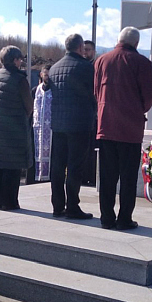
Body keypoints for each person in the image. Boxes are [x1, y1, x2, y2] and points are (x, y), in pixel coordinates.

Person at [94, 27, 152, 230]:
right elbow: (151, 92)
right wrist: (139, 108)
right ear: (136, 44)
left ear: (118, 39)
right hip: (130, 129)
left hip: (106, 126)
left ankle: (106, 218)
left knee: (107, 176)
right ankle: (124, 219)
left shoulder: (102, 60)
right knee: (128, 177)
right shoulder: (141, 63)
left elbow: (96, 90)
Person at [48, 34, 96, 219]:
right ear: (80, 47)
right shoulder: (86, 67)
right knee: (75, 167)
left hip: (58, 123)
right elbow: (93, 93)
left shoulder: (54, 68)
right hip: (79, 123)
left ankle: (57, 206)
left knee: (58, 166)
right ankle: (73, 206)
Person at [0, 46, 33, 211]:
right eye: (20, 59)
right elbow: (29, 106)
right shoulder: (20, 80)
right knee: (12, 166)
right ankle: (9, 202)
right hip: (14, 128)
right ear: (15, 60)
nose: (21, 62)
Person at [81, 39, 98, 186]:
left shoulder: (96, 67)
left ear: (94, 52)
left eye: (88, 50)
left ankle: (91, 176)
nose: (85, 52)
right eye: (84, 49)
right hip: (80, 114)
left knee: (92, 148)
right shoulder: (78, 66)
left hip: (93, 113)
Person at [32, 66, 52, 183]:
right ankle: (38, 175)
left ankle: (48, 176)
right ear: (41, 74)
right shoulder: (37, 89)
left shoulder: (54, 89)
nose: (47, 76)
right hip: (39, 127)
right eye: (45, 74)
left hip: (50, 128)